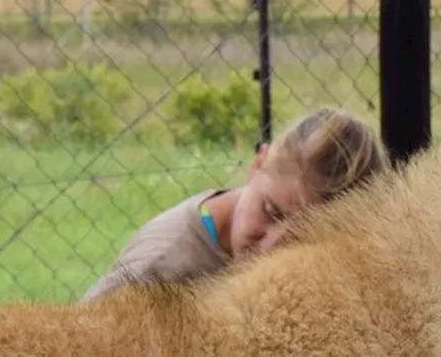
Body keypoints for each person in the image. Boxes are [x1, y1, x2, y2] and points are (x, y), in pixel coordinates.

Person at [80, 106, 391, 302]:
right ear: (257, 165)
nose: (270, 247)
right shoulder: (159, 267)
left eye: (300, 239)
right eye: (270, 212)